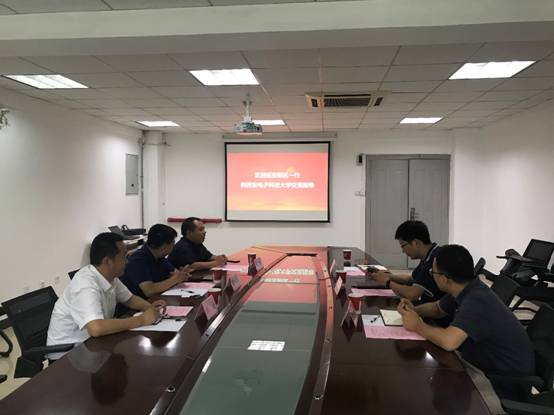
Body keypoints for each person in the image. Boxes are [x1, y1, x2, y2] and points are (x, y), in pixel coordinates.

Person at [398, 244, 535, 399]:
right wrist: (414, 310)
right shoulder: (465, 287)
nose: (431, 275)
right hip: (486, 366)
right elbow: (437, 309)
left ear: (444, 279)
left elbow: (449, 341)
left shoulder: (477, 300)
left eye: (432, 272)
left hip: (504, 383)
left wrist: (418, 326)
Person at [47, 233, 165, 358]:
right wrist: (141, 320)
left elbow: (130, 299)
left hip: (91, 346)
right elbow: (96, 328)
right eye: (124, 257)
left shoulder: (110, 277)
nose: (127, 261)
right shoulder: (85, 285)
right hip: (67, 356)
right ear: (108, 261)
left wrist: (150, 307)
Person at [369, 220, 442, 303]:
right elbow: (412, 279)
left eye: (403, 246)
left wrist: (387, 282)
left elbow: (413, 294)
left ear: (415, 243)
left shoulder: (435, 259)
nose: (403, 251)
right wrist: (388, 276)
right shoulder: (429, 254)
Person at [120, 224, 190, 299]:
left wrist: (182, 275)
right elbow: (149, 291)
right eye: (173, 243)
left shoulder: (159, 257)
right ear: (164, 247)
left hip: (156, 299)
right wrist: (175, 279)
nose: (174, 246)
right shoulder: (137, 260)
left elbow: (175, 273)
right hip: (139, 303)